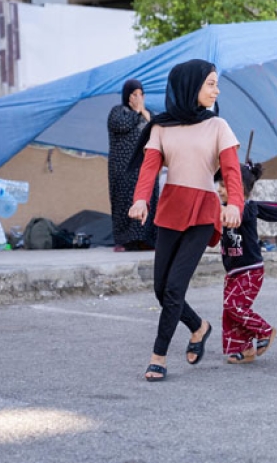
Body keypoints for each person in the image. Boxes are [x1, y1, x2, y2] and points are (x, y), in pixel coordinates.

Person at [128, 59, 244, 382]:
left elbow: (232, 172)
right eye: (210, 83)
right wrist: (140, 199)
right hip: (170, 208)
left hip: (204, 212)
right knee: (161, 288)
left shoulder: (218, 126)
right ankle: (198, 326)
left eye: (216, 83)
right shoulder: (161, 127)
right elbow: (149, 167)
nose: (216, 90)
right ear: (189, 86)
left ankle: (158, 356)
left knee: (175, 287)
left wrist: (234, 203)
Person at [215, 162, 277, 364]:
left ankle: (265, 330)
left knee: (234, 306)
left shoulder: (246, 209)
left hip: (250, 269)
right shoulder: (221, 209)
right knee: (230, 310)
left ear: (238, 187)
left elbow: (266, 209)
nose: (219, 189)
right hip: (233, 269)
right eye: (219, 185)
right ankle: (245, 349)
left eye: (224, 185)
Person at [108, 79, 157, 252]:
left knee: (146, 200)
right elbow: (121, 125)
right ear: (127, 96)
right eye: (134, 94)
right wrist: (136, 112)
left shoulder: (148, 113)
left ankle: (145, 239)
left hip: (145, 166)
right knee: (124, 201)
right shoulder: (118, 112)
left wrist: (143, 113)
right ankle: (123, 241)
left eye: (141, 94)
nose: (138, 98)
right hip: (123, 168)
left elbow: (156, 130)